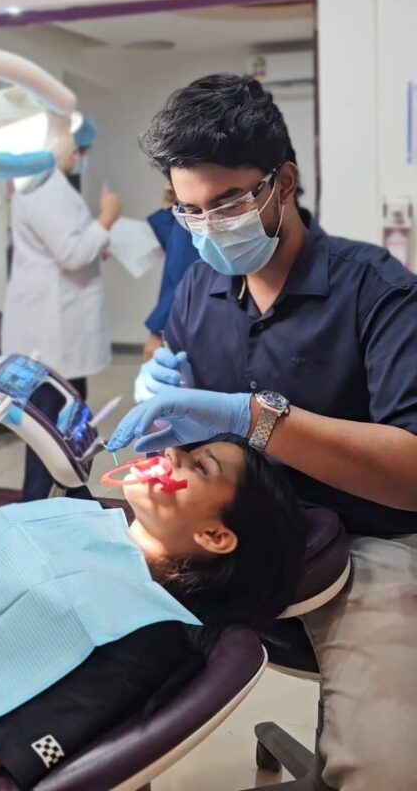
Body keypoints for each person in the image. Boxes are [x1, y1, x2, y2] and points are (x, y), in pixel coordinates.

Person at [106, 73, 417, 791]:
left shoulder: (377, 293)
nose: (210, 227)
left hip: (371, 543)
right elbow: (174, 437)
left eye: (228, 203)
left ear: (284, 182)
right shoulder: (199, 289)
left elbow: (410, 470)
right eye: (190, 211)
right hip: (225, 540)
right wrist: (161, 411)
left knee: (386, 766)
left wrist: (254, 421)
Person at [0, 437, 305, 791]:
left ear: (215, 536)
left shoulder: (138, 638)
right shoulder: (86, 523)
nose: (171, 453)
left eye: (201, 465)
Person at [1, 114, 121, 499]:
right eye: (80, 150)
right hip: (51, 332)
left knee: (66, 424)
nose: (81, 157)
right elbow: (70, 253)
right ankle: (34, 509)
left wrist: (94, 243)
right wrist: (107, 218)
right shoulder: (43, 189)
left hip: (58, 328)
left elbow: (69, 245)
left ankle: (74, 498)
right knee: (49, 430)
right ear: (64, 146)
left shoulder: (43, 185)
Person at [142, 180, 199, 361]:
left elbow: (186, 276)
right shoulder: (187, 210)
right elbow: (174, 247)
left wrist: (158, 331)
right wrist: (169, 208)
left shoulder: (198, 211)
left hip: (184, 322)